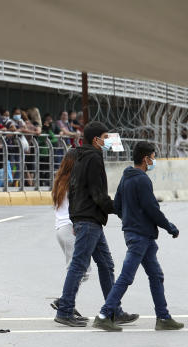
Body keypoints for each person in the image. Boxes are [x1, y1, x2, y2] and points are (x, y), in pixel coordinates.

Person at [53, 121, 138, 327]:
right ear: (95, 139)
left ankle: (113, 309)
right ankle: (65, 310)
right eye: (106, 137)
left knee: (106, 264)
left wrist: (74, 217)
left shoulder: (80, 157)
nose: (108, 141)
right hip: (89, 219)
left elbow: (74, 190)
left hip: (88, 219)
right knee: (79, 265)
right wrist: (119, 208)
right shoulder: (93, 157)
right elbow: (98, 193)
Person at [94, 142, 182, 331]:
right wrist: (170, 227)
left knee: (156, 276)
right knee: (126, 276)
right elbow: (152, 209)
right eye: (153, 157)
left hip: (140, 235)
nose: (153, 160)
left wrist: (129, 218)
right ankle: (104, 314)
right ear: (145, 159)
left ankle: (163, 317)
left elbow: (117, 205)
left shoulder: (126, 177)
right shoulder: (142, 179)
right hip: (140, 235)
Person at [51, 150, 91, 314]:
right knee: (79, 269)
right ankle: (65, 301)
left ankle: (66, 300)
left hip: (62, 228)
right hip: (70, 227)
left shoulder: (60, 180)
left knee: (79, 269)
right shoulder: (73, 181)